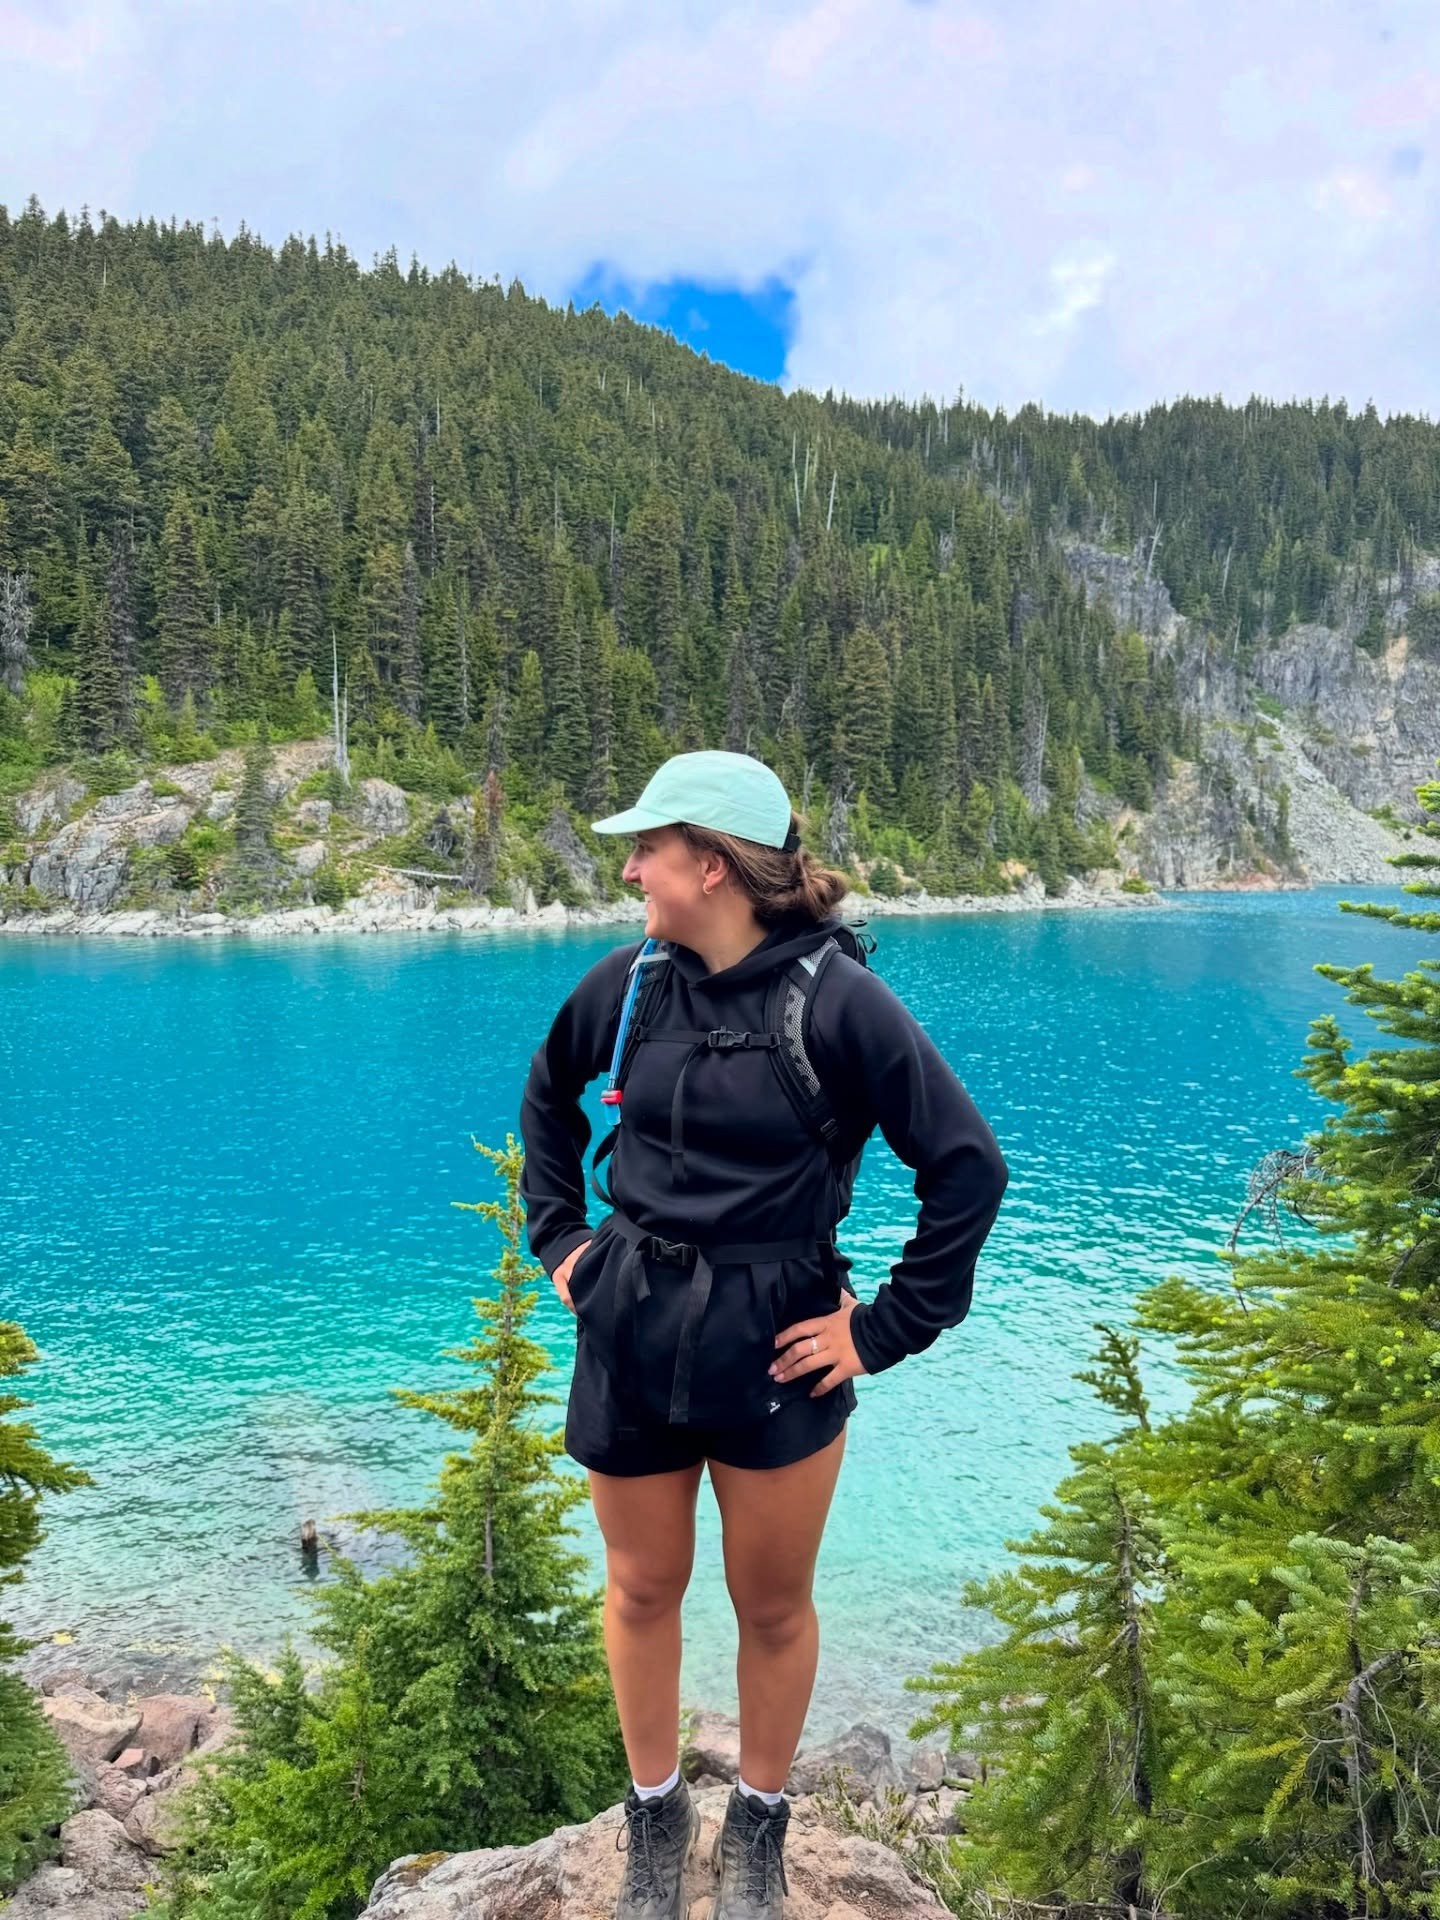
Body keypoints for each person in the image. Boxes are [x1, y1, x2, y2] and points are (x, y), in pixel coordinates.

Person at [519, 749, 1009, 1920]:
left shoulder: (836, 1000)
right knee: (641, 1587)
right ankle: (654, 1818)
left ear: (714, 866)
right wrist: (562, 1241)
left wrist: (882, 1330)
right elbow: (546, 1094)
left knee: (773, 1606)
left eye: (649, 848)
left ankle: (757, 1827)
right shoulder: (630, 986)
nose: (630, 869)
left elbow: (967, 1167)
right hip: (630, 1325)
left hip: (780, 1344)